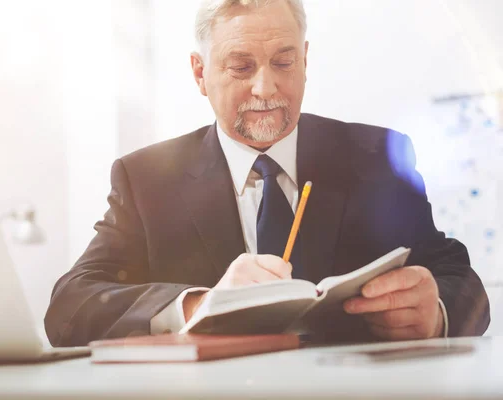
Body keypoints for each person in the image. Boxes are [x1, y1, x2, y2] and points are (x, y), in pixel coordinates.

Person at [44, 0, 490, 346]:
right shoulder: (146, 180)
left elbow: (458, 276)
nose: (266, 88)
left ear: (306, 59)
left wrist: (437, 312)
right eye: (240, 67)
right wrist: (198, 305)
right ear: (200, 74)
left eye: (283, 62)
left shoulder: (375, 156)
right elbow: (69, 306)